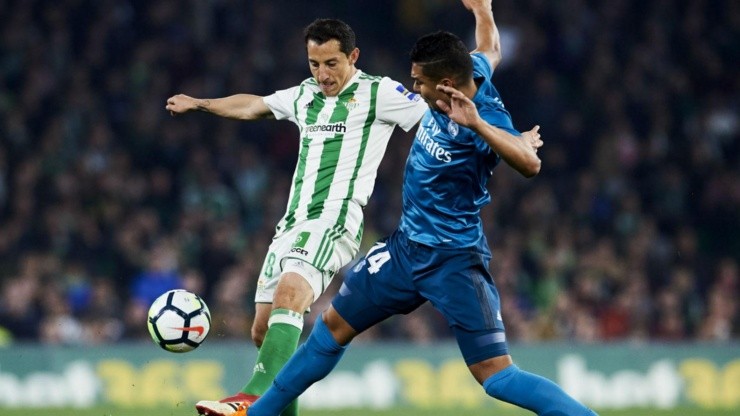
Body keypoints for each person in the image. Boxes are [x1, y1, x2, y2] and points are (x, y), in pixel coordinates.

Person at [235, 1, 599, 415]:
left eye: (418, 82)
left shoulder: (485, 116)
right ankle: (260, 412)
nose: (413, 88)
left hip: (453, 260)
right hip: (405, 251)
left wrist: (478, 124)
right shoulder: (471, 71)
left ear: (445, 83)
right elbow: (491, 48)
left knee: (496, 376)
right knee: (330, 329)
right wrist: (482, 9)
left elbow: (530, 163)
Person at [166, 18, 428, 416]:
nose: (322, 74)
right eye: (314, 64)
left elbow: (436, 116)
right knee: (263, 332)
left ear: (353, 56)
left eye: (332, 64)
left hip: (334, 219)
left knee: (292, 294)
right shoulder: (305, 95)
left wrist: (499, 134)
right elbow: (254, 105)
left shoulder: (378, 92)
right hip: (291, 225)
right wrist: (201, 103)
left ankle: (251, 399)